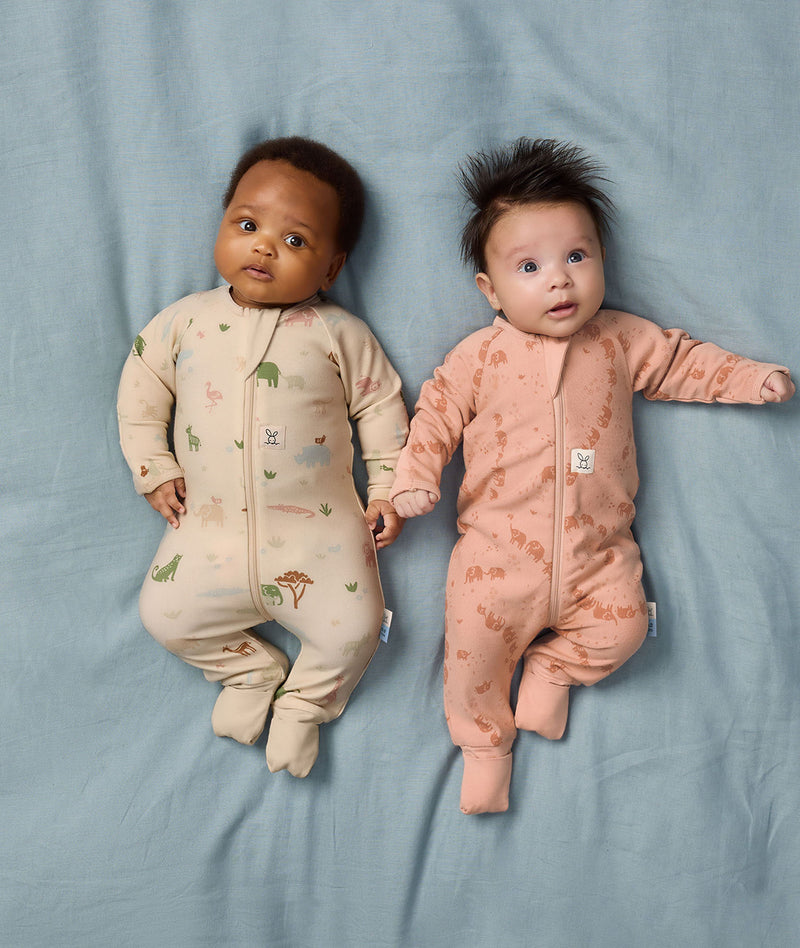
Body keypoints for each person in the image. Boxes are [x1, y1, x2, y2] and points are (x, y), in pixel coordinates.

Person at [390, 138, 794, 814]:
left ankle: (556, 668)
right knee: (471, 656)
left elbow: (682, 365)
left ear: (604, 261)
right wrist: (415, 475)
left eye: (577, 256)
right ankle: (485, 748)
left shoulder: (618, 339)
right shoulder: (479, 357)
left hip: (598, 556)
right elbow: (435, 414)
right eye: (529, 266)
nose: (560, 280)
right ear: (489, 290)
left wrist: (753, 380)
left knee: (627, 628)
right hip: (495, 561)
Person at [118, 137, 408, 778]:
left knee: (357, 628)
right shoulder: (182, 324)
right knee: (164, 615)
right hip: (209, 531)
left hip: (320, 538)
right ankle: (251, 673)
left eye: (296, 240)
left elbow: (381, 410)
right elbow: (140, 397)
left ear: (332, 269)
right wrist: (154, 468)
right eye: (247, 225)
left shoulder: (341, 333)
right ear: (222, 226)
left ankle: (306, 705)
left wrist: (389, 487)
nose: (264, 246)